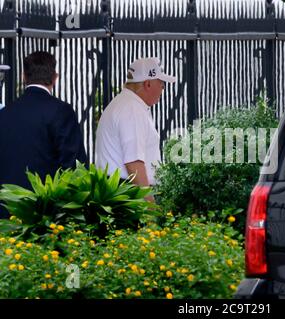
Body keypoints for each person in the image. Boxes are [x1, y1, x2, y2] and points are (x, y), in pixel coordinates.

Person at [0, 51, 87, 218]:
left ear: (24, 76)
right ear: (55, 78)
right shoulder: (62, 111)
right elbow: (74, 166)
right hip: (45, 215)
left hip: (6, 212)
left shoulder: (5, 114)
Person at [95, 57, 175, 201]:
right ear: (148, 84)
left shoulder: (126, 104)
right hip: (128, 195)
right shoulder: (132, 109)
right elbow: (134, 163)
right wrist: (150, 209)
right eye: (161, 84)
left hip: (120, 191)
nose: (163, 89)